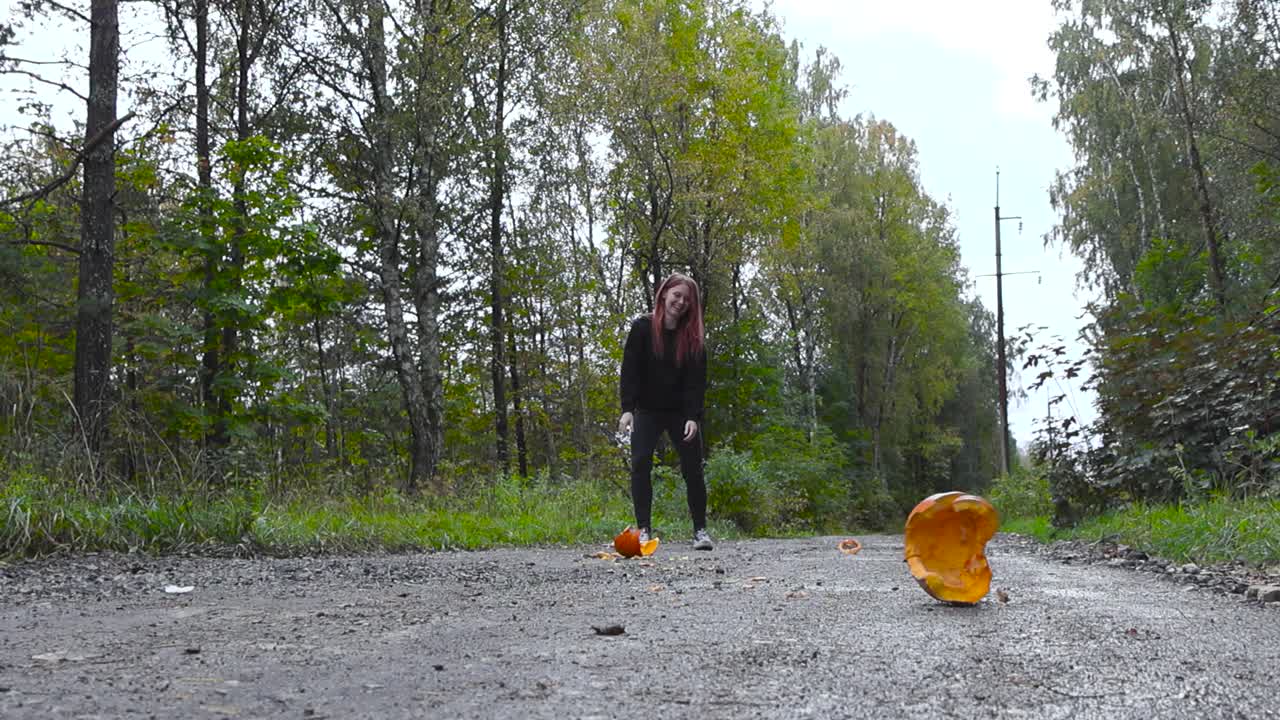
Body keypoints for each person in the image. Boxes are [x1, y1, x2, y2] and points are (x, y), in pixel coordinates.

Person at [618, 272, 713, 551]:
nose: (681, 302)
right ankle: (643, 529)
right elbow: (630, 370)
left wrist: (693, 417)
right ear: (664, 295)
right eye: (677, 295)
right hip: (647, 409)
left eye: (687, 299)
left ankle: (700, 531)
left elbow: (697, 382)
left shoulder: (693, 337)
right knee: (641, 462)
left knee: (693, 468)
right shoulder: (642, 328)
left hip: (680, 413)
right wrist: (627, 410)